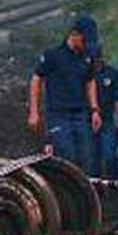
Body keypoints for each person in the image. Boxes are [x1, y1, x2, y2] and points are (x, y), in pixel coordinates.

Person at [27, 21, 101, 171]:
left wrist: (94, 109)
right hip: (58, 114)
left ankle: (84, 191)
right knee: (67, 156)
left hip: (80, 114)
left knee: (86, 159)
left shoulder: (88, 57)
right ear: (74, 35)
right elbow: (36, 79)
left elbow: (90, 80)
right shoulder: (53, 56)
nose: (86, 46)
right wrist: (34, 112)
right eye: (84, 41)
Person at [92, 50, 118, 178]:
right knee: (91, 159)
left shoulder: (112, 73)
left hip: (107, 121)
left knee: (110, 156)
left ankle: (114, 185)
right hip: (86, 121)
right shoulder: (83, 73)